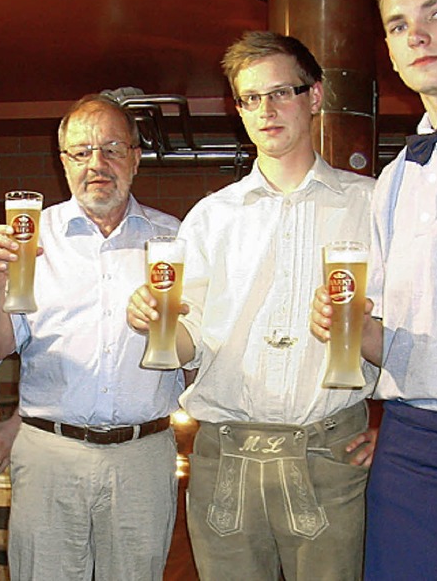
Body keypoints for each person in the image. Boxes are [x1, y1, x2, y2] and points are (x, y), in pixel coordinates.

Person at [127, 31, 376, 581]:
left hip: (330, 455)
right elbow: (186, 343)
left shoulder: (372, 205)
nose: (266, 111)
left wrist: (395, 428)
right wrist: (155, 318)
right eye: (250, 98)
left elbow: (407, 329)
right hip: (225, 457)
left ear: (314, 97)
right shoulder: (211, 217)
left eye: (281, 92)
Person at [311, 0, 437, 578]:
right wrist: (350, 327)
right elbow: (396, 344)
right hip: (405, 451)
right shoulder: (395, 179)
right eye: (398, 25)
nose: (418, 36)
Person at [0, 94, 182, 581]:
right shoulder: (27, 239)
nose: (97, 164)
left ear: (135, 156)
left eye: (112, 148)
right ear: (62, 161)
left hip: (144, 457)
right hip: (50, 455)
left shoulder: (173, 240)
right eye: (81, 152)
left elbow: (197, 353)